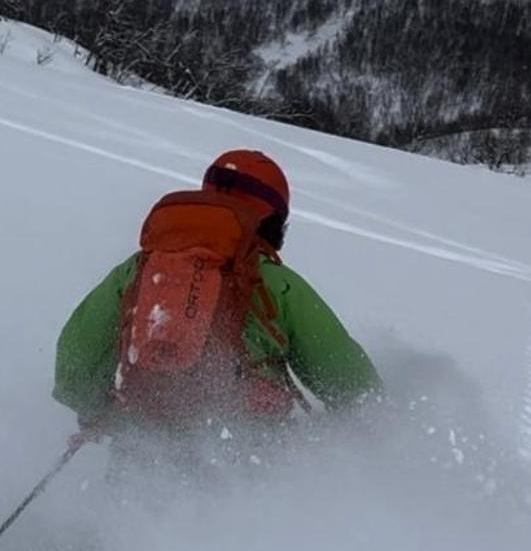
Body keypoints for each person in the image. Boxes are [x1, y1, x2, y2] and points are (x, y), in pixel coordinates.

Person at [54, 149, 381, 450]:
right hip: (249, 461)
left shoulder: (138, 270)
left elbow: (76, 357)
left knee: (128, 512)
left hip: (142, 451)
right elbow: (355, 387)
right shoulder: (277, 285)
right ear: (270, 220)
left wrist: (101, 411)